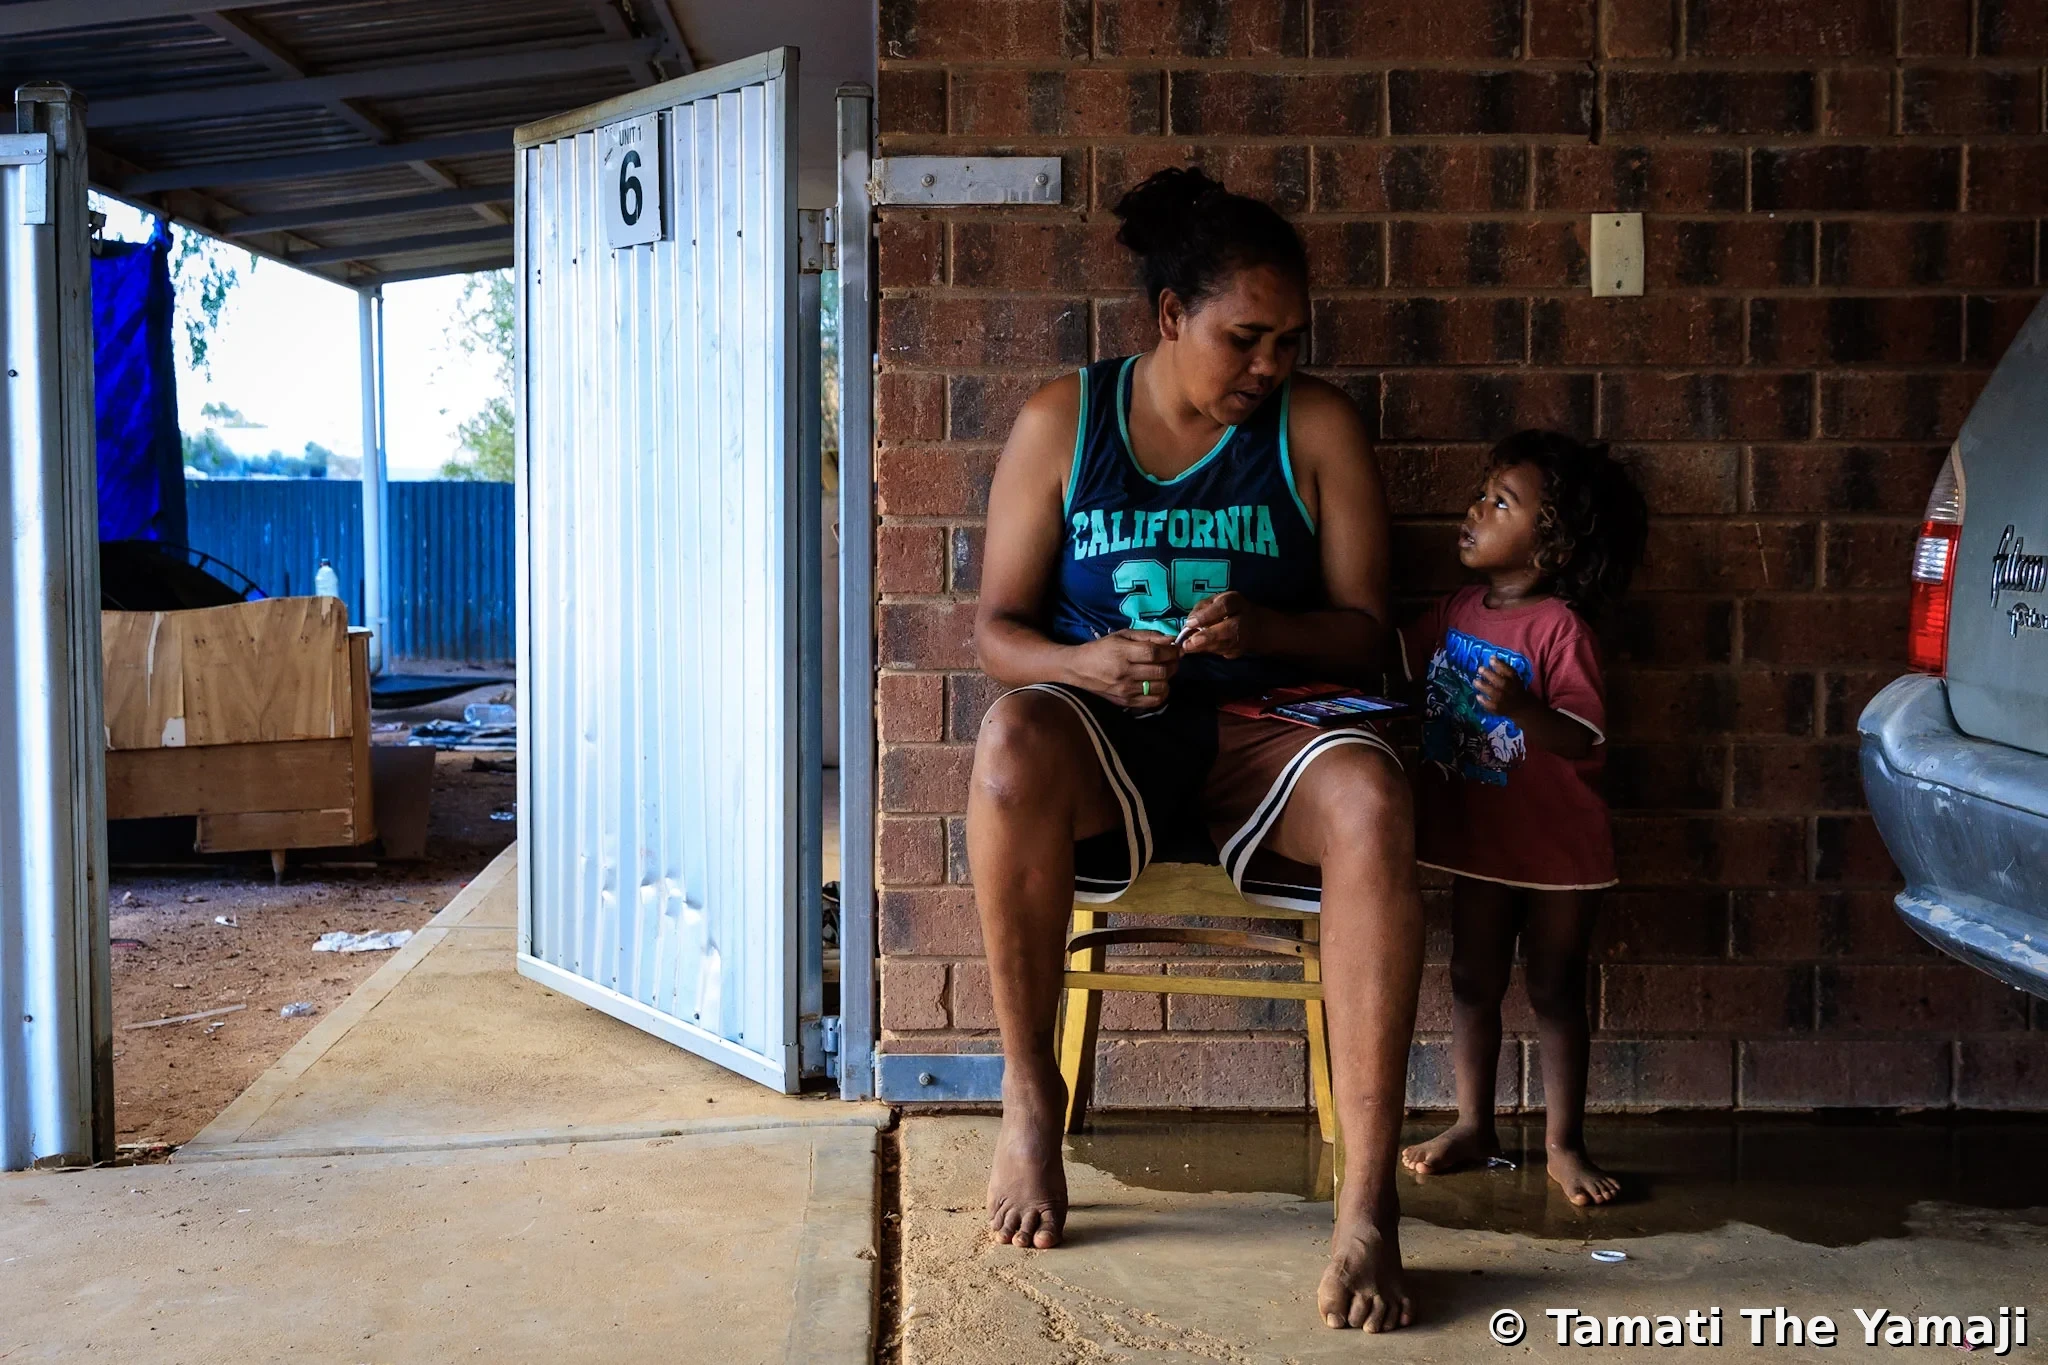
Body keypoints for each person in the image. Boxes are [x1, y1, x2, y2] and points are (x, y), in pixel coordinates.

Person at [966, 166, 1424, 1333]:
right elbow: (996, 634)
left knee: (1373, 798)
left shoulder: (1313, 426)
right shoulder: (1062, 422)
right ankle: (1029, 1100)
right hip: (1107, 736)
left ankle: (1367, 1207)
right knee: (1011, 741)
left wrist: (1266, 627)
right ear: (1169, 317)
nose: (1268, 365)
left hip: (1264, 739)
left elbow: (1370, 638)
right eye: (1243, 338)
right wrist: (1085, 665)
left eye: (1287, 340)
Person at [1394, 431, 1649, 1206]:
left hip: (1558, 849)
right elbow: (1391, 665)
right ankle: (1475, 1122)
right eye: (1482, 491)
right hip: (1483, 845)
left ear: (1551, 545)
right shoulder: (1453, 612)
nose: (1475, 507)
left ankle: (1565, 1142)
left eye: (1500, 501)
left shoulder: (1558, 630)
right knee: (1471, 980)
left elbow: (1585, 739)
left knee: (1554, 986)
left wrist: (1525, 707)